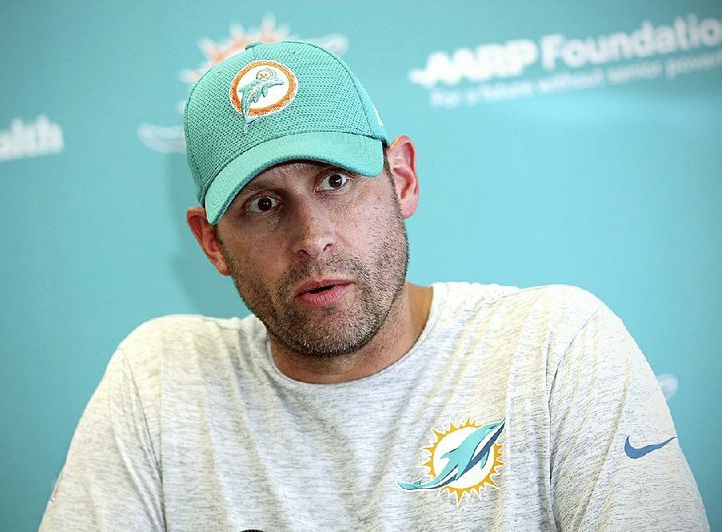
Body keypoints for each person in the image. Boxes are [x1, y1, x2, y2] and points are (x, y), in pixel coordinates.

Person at [39, 40, 708, 531]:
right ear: (212, 242)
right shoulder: (158, 382)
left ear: (403, 180)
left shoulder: (554, 350)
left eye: (335, 181)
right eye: (263, 205)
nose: (312, 238)